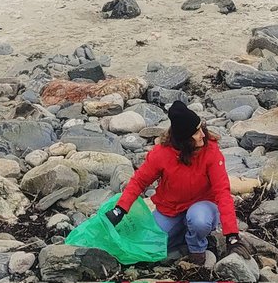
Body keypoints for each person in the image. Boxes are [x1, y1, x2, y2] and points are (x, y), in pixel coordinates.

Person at [106, 100, 251, 269]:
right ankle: (184, 233)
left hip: (202, 206)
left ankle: (197, 249)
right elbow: (139, 181)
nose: (203, 135)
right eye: (197, 132)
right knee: (152, 246)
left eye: (201, 129)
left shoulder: (210, 152)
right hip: (171, 209)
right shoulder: (161, 154)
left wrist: (232, 235)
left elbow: (222, 192)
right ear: (185, 140)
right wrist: (120, 209)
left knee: (198, 221)